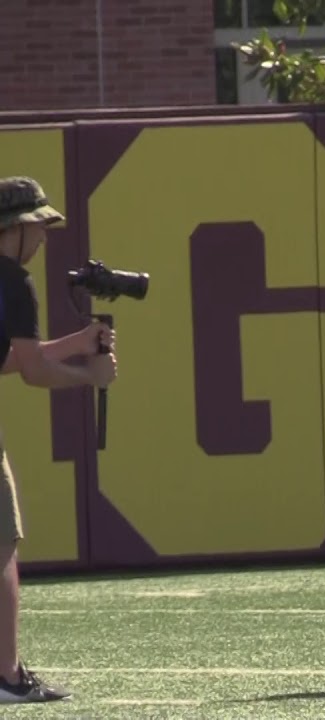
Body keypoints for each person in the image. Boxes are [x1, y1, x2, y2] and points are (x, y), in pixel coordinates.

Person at [0, 176, 117, 702]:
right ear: (16, 229)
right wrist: (90, 376)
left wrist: (76, 343)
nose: (45, 237)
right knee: (2, 546)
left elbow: (12, 359)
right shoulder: (13, 281)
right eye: (39, 226)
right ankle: (7, 677)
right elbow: (33, 374)